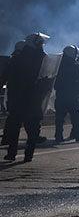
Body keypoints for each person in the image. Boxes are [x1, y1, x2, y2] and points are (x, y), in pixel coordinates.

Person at [3, 33, 49, 162]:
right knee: (32, 129)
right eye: (40, 43)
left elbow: (5, 76)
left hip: (16, 99)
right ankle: (28, 154)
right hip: (32, 99)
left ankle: (11, 153)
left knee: (14, 127)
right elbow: (46, 77)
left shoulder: (16, 58)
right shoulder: (41, 58)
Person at [54, 45, 79, 142]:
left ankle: (58, 136)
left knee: (59, 117)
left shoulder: (58, 63)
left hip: (60, 94)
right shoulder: (73, 64)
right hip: (71, 95)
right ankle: (78, 134)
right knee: (76, 116)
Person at [1, 40, 25, 146]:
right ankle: (10, 140)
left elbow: (4, 76)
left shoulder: (13, 60)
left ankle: (6, 138)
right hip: (19, 92)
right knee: (17, 117)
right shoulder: (19, 61)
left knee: (13, 117)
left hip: (13, 92)